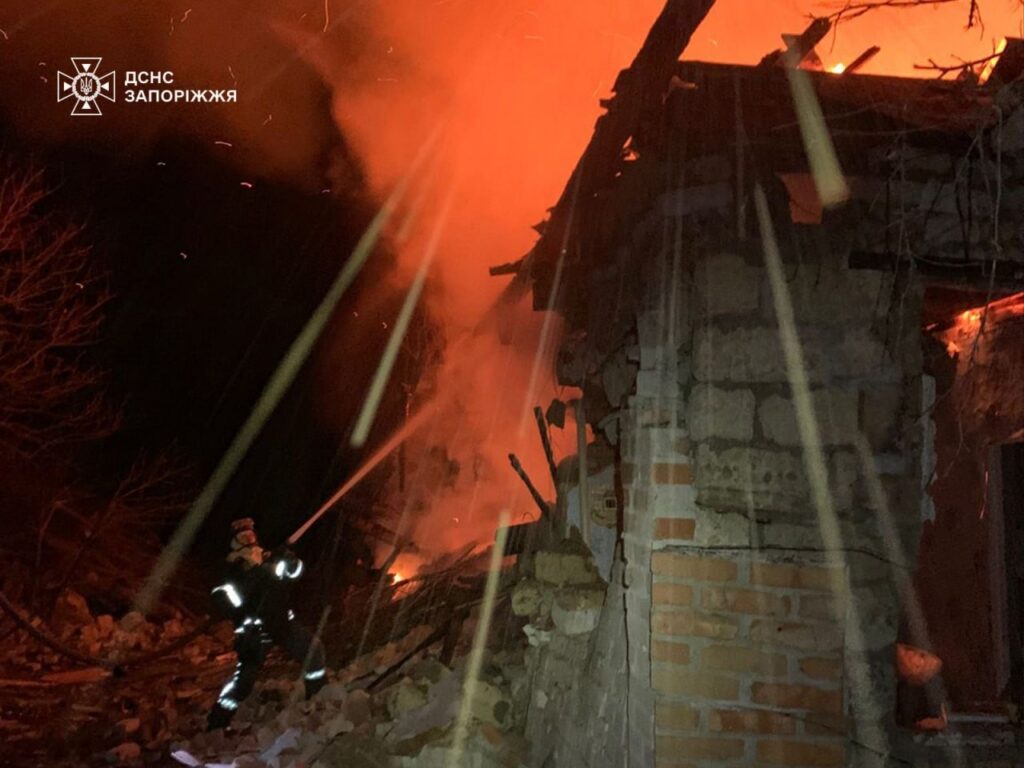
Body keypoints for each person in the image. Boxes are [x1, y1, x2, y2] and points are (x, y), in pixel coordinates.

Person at [206, 518, 327, 730]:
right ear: (234, 542)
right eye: (243, 536)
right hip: (255, 632)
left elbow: (294, 574)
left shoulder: (268, 558)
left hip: (282, 625)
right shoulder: (232, 568)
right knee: (243, 684)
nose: (249, 539)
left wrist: (290, 561)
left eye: (251, 535)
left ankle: (318, 699)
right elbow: (227, 602)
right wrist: (253, 578)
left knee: (313, 650)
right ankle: (217, 722)